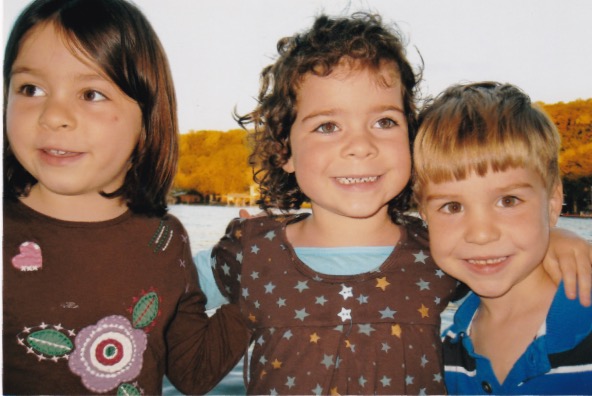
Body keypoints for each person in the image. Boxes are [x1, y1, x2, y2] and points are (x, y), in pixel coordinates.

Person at [193, 13, 592, 395]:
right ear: (285, 150)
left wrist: (553, 238)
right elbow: (162, 290)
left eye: (384, 122)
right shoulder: (252, 251)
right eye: (327, 126)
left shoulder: (434, 250)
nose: (361, 146)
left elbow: (495, 249)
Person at [2, 0, 249, 394]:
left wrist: (253, 283)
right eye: (31, 89)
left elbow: (193, 372)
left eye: (91, 94)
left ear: (147, 119)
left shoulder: (166, 240)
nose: (53, 115)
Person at [413, 81, 592, 394]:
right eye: (452, 206)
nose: (481, 234)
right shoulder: (446, 352)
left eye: (508, 201)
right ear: (424, 216)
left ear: (552, 204)